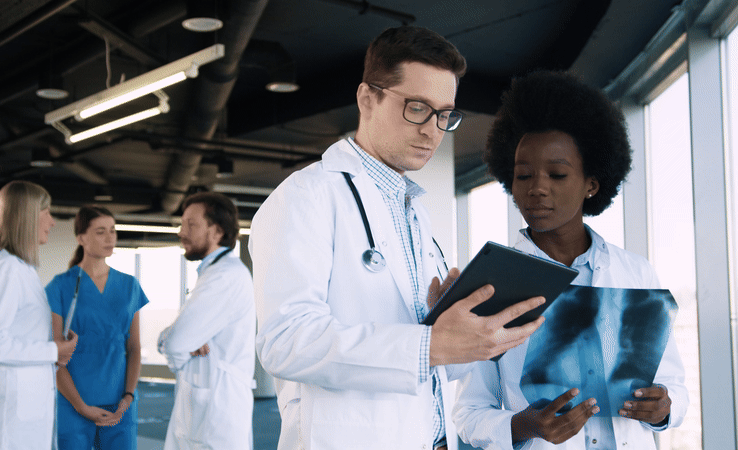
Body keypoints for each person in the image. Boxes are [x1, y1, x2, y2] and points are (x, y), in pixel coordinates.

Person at [251, 26, 546, 450]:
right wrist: (429, 343)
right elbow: (284, 343)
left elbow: (435, 364)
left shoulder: (414, 212)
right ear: (367, 99)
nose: (433, 130)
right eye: (417, 108)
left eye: (445, 114)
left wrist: (462, 330)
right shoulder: (305, 198)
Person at [452, 70, 689, 449]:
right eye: (523, 175)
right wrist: (524, 426)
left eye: (557, 174)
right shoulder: (490, 283)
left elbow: (673, 388)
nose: (537, 188)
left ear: (591, 184)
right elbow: (468, 414)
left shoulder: (636, 272)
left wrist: (662, 409)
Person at [0, 180, 78, 450]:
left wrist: (56, 352)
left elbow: (19, 337)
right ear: (28, 215)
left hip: (25, 409)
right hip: (9, 414)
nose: (52, 222)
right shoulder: (3, 269)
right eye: (47, 212)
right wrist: (52, 351)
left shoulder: (22, 270)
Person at [45, 205, 148, 450]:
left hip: (120, 404)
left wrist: (128, 397)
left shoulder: (129, 285)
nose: (110, 237)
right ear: (81, 238)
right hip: (73, 403)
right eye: (101, 231)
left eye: (113, 230)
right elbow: (54, 354)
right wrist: (81, 406)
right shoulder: (60, 286)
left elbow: (134, 347)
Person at [158, 192, 255, 450]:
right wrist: (174, 339)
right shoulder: (213, 273)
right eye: (182, 224)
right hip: (206, 401)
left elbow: (176, 343)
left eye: (191, 224)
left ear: (217, 231)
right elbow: (174, 338)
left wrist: (176, 345)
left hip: (217, 406)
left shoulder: (225, 276)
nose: (181, 232)